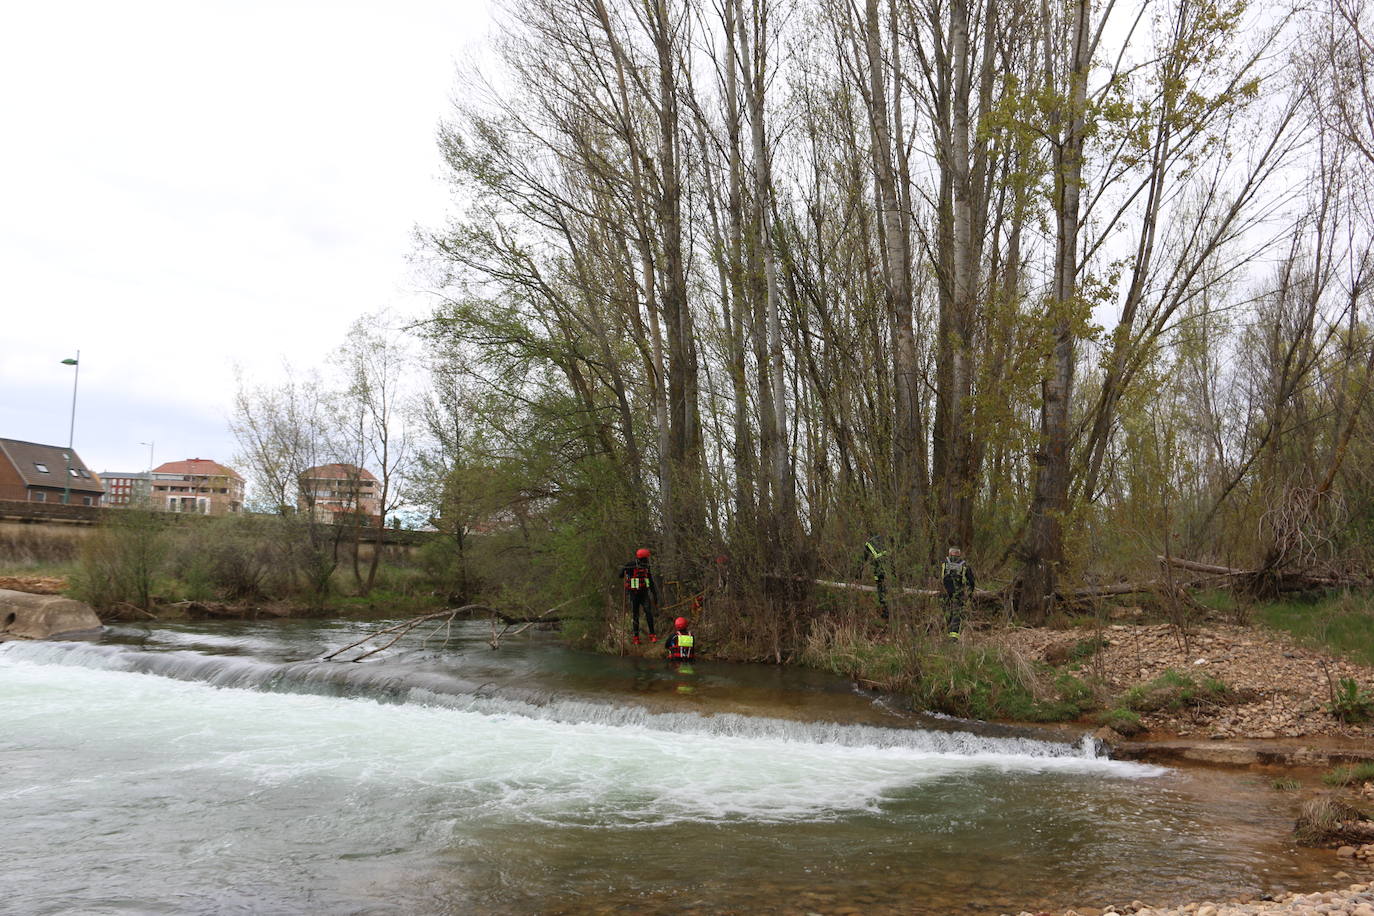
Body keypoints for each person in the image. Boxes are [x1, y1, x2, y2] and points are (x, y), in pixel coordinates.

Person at [621, 547, 659, 644]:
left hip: (641, 594)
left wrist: (654, 595)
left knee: (643, 614)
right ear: (644, 558)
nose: (647, 559)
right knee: (640, 614)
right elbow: (621, 575)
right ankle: (639, 637)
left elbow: (650, 581)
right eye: (647, 558)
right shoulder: (631, 565)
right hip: (637, 594)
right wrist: (625, 571)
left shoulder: (645, 566)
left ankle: (647, 636)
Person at [941, 547, 975, 638]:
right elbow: (971, 581)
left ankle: (947, 633)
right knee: (957, 613)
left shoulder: (944, 562)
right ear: (959, 554)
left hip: (945, 593)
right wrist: (970, 594)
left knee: (947, 612)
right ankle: (953, 637)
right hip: (958, 593)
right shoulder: (964, 565)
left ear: (949, 553)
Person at [859, 534, 889, 620]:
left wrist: (858, 575)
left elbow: (862, 561)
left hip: (880, 568)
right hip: (890, 565)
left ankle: (885, 611)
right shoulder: (884, 538)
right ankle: (887, 609)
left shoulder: (868, 543)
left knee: (880, 586)